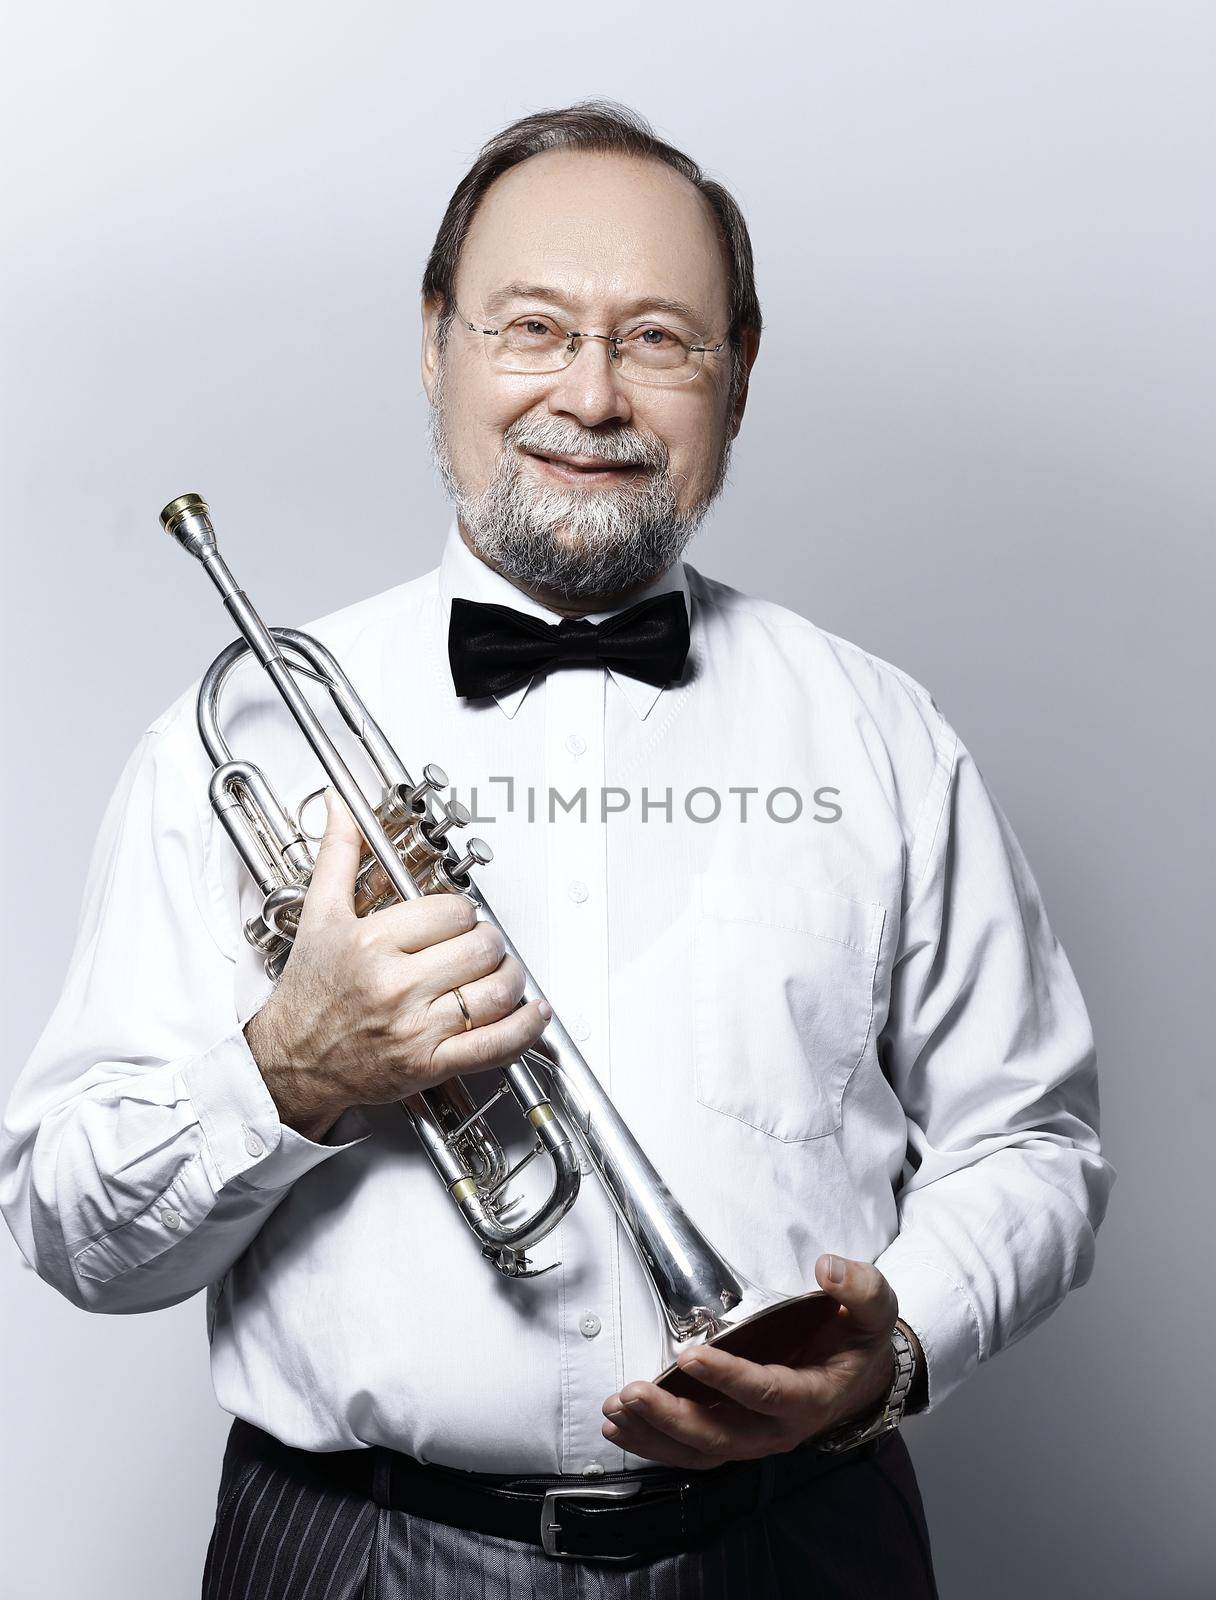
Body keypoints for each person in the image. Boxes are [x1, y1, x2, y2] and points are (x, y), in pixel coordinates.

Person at [0, 100, 1114, 1598]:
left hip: (800, 1547)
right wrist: (294, 1070)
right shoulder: (243, 740)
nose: (590, 395)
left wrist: (900, 1338)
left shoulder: (880, 737)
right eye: (533, 326)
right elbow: (74, 1233)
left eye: (660, 339)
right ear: (436, 344)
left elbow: (1034, 1145)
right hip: (354, 1555)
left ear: (737, 377)